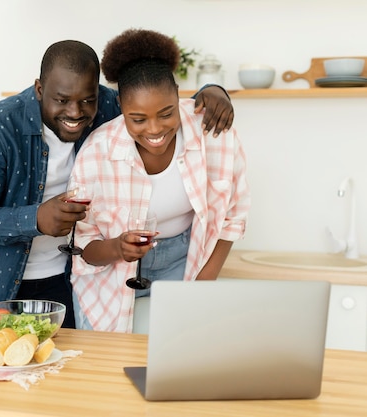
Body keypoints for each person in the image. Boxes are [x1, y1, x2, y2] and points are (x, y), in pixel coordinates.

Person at [0, 38, 235, 328]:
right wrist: (36, 219)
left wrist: (212, 92)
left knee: (72, 369)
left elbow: (154, 99)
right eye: (61, 100)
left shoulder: (107, 107)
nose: (75, 113)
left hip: (70, 278)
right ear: (39, 89)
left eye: (87, 100)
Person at [69, 29, 250, 332]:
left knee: (182, 360)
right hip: (111, 272)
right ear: (120, 108)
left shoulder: (212, 132)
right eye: (137, 119)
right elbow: (83, 247)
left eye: (166, 113)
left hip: (186, 258)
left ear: (179, 95)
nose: (154, 130)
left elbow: (232, 216)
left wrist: (201, 286)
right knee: (107, 364)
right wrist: (117, 248)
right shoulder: (96, 151)